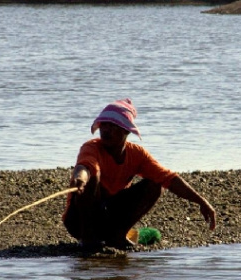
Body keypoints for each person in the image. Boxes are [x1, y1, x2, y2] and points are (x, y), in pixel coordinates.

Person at [63, 98, 217, 251]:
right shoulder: (92, 148)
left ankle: (118, 235)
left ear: (125, 131)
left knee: (156, 184)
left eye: (112, 126)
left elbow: (169, 178)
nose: (106, 130)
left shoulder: (137, 154)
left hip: (109, 216)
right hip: (80, 222)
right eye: (104, 125)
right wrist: (80, 179)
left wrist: (201, 201)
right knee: (93, 175)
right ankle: (88, 240)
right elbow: (85, 166)